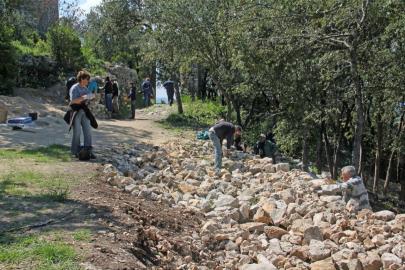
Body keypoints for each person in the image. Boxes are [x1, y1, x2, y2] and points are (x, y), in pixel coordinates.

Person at [69, 70, 96, 159]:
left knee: (88, 131)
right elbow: (73, 101)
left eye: (88, 79)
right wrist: (84, 97)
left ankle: (88, 150)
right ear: (81, 79)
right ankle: (75, 151)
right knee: (77, 132)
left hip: (84, 111)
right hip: (76, 111)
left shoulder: (85, 88)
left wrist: (92, 97)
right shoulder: (74, 88)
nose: (88, 81)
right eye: (87, 79)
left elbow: (88, 98)